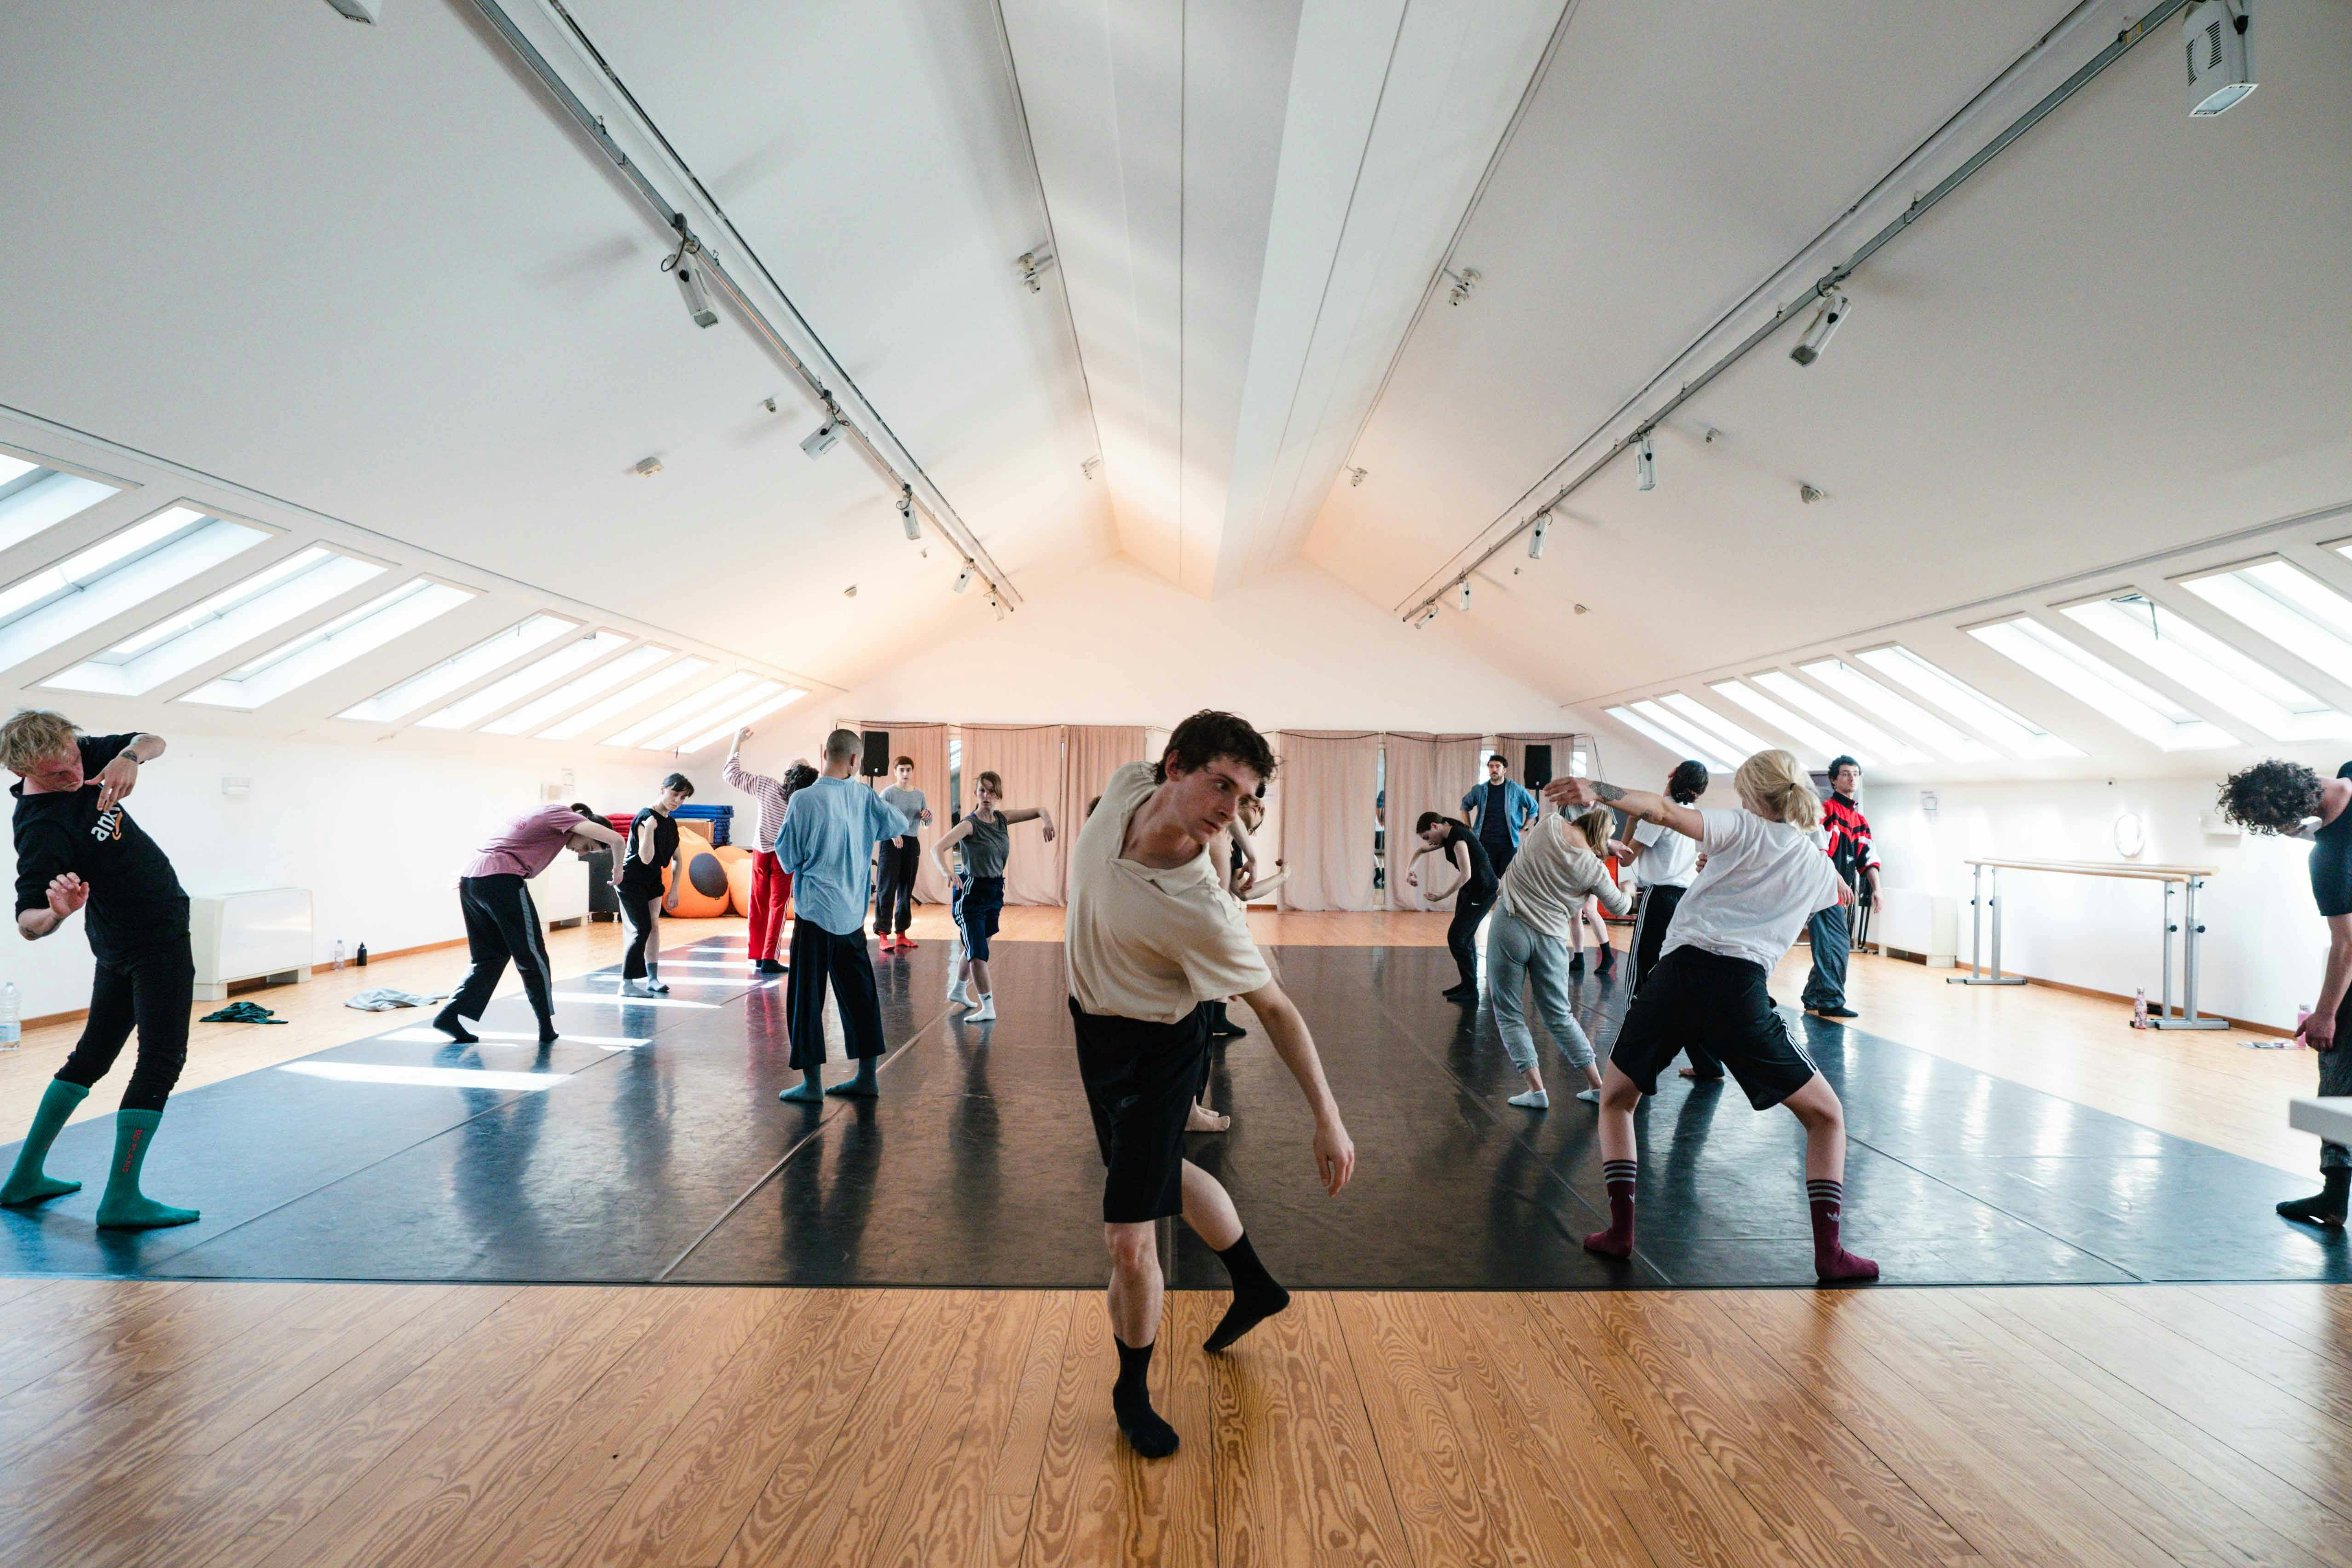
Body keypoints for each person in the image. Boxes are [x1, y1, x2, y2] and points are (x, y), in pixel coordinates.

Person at [1065, 710, 1354, 1458]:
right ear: (1172, 769)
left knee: (1128, 1237)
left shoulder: (1199, 906)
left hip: (1159, 1046)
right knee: (1165, 1171)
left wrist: (1328, 1116)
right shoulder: (1127, 784)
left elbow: (1277, 1007)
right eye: (1221, 784)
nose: (1231, 807)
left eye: (1245, 795)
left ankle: (1132, 1388)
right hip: (1093, 1027)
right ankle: (1255, 1283)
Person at [1549, 750, 1876, 1284]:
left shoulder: (1739, 827)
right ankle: (1830, 1253)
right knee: (1826, 1117)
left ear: (1750, 796)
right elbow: (1831, 902)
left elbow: (1660, 809)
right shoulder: (1815, 864)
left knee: (1615, 1100)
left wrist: (1597, 790)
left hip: (1675, 978)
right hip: (1737, 994)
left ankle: (1620, 1232)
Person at [0, 715, 203, 1228]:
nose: (75, 773)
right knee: (161, 1061)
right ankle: (122, 1199)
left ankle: (24, 1177)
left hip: (123, 936)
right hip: (151, 941)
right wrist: (57, 911)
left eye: (76, 758)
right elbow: (27, 924)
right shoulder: (40, 826)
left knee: (91, 1056)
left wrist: (130, 756)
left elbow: (155, 738)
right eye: (60, 772)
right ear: (25, 770)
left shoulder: (80, 753)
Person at [2217, 758, 2352, 1224]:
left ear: (2299, 813)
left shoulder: (2331, 859)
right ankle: (2333, 1197)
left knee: (2336, 1070)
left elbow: (2347, 944)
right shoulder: (2347, 770)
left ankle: (2334, 1196)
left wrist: (2323, 1016)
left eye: (2279, 827)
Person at [775, 729, 910, 1102]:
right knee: (861, 997)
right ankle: (867, 1078)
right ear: (855, 761)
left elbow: (787, 858)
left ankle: (813, 1085)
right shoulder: (864, 795)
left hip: (816, 915)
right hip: (851, 917)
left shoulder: (803, 800)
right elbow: (898, 824)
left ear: (824, 753)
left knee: (807, 1000)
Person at [434, 800, 623, 1046]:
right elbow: (618, 840)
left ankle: (450, 1015)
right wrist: (618, 870)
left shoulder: (550, 814)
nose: (583, 853)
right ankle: (546, 1027)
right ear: (587, 829)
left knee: (489, 957)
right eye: (589, 846)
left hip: (472, 878)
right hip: (501, 879)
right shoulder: (564, 817)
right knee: (532, 955)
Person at [1487, 802, 1630, 1110]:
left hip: (1510, 924)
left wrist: (1603, 840)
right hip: (1551, 939)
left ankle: (1536, 1091)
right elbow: (1620, 907)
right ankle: (1596, 1085)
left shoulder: (1550, 824)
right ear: (1603, 837)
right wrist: (1628, 886)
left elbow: (1573, 830)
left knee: (1509, 1013)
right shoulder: (1594, 867)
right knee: (1559, 1015)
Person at [1612, 760, 1716, 1079]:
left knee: (1639, 977)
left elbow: (1625, 856)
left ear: (1671, 775)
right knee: (1685, 982)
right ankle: (1707, 1062)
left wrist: (1631, 819)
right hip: (1689, 900)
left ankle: (1632, 1058)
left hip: (1660, 898)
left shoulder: (1658, 813)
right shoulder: (1696, 817)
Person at [931, 770, 1053, 1023]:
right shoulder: (969, 825)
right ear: (976, 794)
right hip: (971, 894)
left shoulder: (1002, 819)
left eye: (991, 791)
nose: (986, 796)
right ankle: (988, 1006)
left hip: (995, 891)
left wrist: (1048, 821)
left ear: (999, 795)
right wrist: (949, 872)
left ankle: (958, 989)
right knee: (978, 954)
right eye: (982, 791)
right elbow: (937, 848)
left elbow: (1041, 809)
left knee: (977, 945)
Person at [723, 728, 805, 976]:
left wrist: (737, 741)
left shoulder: (767, 785)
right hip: (782, 855)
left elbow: (731, 774)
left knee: (759, 904)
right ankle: (768, 957)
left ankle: (758, 955)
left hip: (762, 852)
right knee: (777, 906)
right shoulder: (802, 800)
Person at [1802, 755, 1878, 1020]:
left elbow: (1867, 857)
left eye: (1855, 774)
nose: (1851, 778)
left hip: (1841, 893)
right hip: (1823, 889)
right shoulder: (1825, 811)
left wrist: (1876, 889)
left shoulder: (1859, 819)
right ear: (1834, 780)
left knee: (1830, 943)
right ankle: (1831, 1002)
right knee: (1837, 944)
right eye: (1845, 774)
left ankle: (1814, 996)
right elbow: (1818, 852)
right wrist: (1840, 882)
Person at [1405, 810, 1498, 1001]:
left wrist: (1442, 896)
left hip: (1482, 890)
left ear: (1434, 826)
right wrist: (1410, 871)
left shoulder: (1457, 836)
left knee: (1457, 937)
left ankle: (1471, 989)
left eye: (1427, 837)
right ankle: (1468, 985)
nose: (1429, 842)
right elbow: (1421, 851)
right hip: (1470, 890)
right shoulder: (1447, 837)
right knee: (1464, 937)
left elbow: (1466, 874)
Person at [617, 773, 692, 996]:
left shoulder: (670, 822)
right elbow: (646, 857)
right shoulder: (645, 817)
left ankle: (652, 979)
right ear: (662, 790)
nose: (677, 800)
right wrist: (649, 829)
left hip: (652, 879)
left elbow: (678, 858)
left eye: (682, 797)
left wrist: (675, 889)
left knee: (654, 927)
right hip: (631, 880)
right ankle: (626, 984)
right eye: (674, 794)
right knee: (641, 929)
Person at [874, 755, 934, 951]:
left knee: (906, 889)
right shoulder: (888, 794)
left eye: (909, 770)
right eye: (902, 770)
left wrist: (927, 816)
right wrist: (893, 833)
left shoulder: (919, 795)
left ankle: (901, 934)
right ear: (895, 771)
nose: (906, 774)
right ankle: (883, 935)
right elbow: (879, 819)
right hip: (891, 843)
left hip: (911, 842)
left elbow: (924, 824)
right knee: (886, 888)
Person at [1462, 754, 1539, 879]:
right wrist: (1469, 828)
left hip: (1508, 844)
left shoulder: (1516, 789)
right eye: (1491, 767)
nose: (1494, 770)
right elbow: (1465, 805)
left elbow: (1533, 807)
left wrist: (1524, 829)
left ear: (1504, 770)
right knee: (1486, 881)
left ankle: (1505, 900)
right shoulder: (1480, 790)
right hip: (1484, 842)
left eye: (1498, 767)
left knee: (1508, 880)